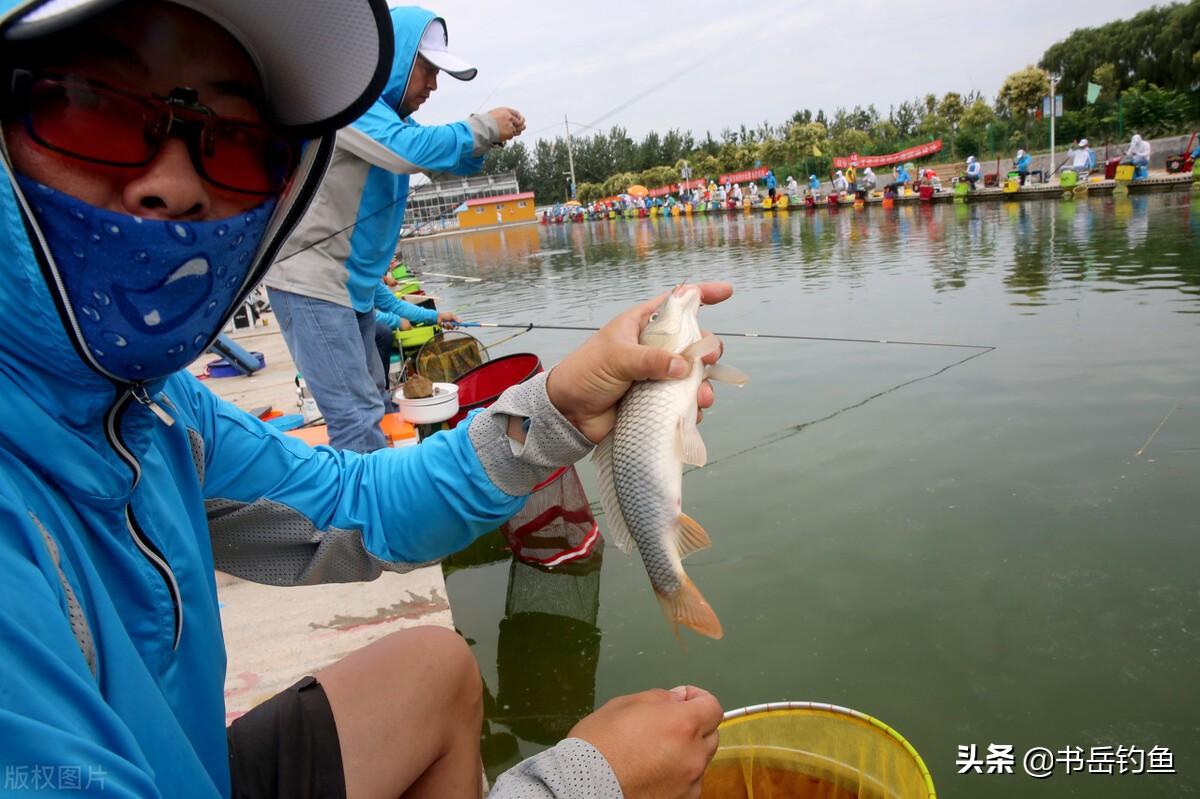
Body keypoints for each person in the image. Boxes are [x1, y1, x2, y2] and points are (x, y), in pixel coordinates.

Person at [0, 1, 730, 797]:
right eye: (94, 106)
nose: (175, 185)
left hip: (187, 763)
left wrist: (557, 412)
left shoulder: (160, 410)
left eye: (239, 143)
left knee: (435, 666)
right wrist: (584, 780)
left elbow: (354, 500)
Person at [264, 7, 521, 454]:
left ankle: (383, 492)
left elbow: (441, 154)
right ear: (396, 60)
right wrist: (481, 126)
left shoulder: (389, 120)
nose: (432, 86)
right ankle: (370, 518)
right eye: (426, 71)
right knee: (355, 420)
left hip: (353, 289)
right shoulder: (349, 108)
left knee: (378, 402)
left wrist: (487, 141)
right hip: (313, 285)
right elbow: (410, 151)